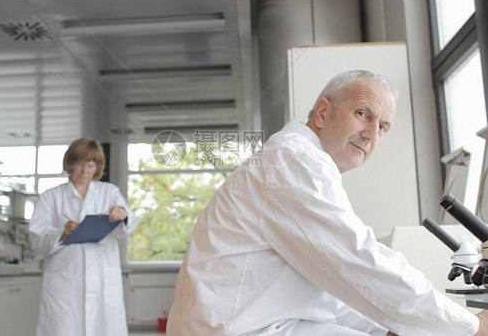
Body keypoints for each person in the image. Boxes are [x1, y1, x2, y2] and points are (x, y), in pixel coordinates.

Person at [167, 70, 488, 335]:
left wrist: (388, 327)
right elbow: (358, 262)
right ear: (322, 113)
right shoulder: (294, 161)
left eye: (383, 127)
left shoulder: (298, 161)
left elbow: (325, 294)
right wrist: (468, 326)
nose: (371, 134)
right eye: (363, 114)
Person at [29, 138, 138, 336]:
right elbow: (36, 239)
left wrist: (123, 215)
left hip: (103, 280)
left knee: (104, 328)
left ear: (97, 167)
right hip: (65, 285)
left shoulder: (109, 191)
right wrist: (61, 233)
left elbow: (129, 225)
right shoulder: (51, 197)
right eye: (80, 164)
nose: (85, 171)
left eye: (90, 165)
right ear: (69, 164)